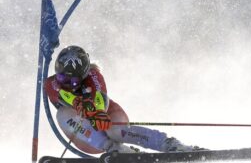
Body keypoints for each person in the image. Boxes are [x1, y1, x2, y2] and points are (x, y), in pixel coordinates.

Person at [44, 45, 203, 154]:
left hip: (108, 116)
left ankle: (168, 144)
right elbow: (63, 94)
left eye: (73, 82)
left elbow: (100, 97)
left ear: (84, 74)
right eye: (62, 76)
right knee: (63, 114)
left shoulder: (93, 76)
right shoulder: (52, 83)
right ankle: (115, 150)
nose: (67, 83)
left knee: (115, 131)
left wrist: (98, 112)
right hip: (86, 137)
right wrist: (78, 103)